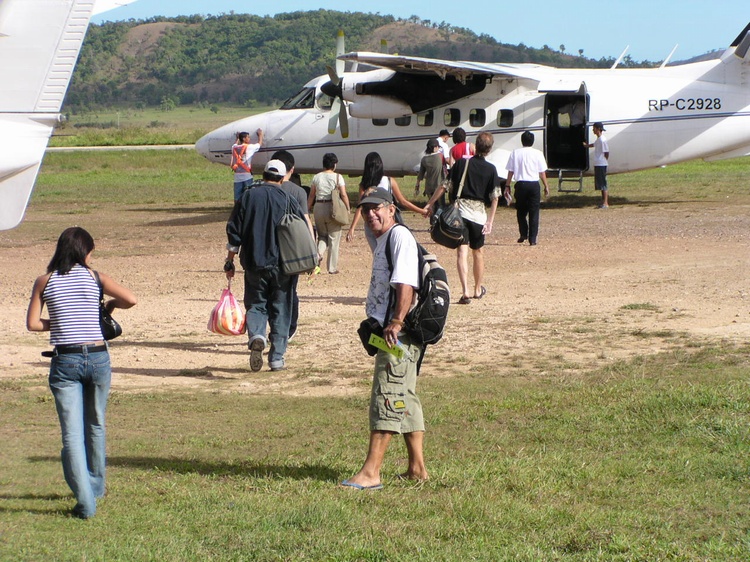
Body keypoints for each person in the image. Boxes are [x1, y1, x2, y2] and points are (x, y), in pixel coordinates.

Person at [26, 227, 137, 519]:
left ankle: (85, 501)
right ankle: (96, 487)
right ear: (83, 252)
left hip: (66, 360)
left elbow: (33, 325)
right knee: (96, 424)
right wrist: (110, 304)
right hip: (98, 358)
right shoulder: (95, 277)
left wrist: (57, 323)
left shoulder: (44, 281)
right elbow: (131, 299)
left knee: (71, 435)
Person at [341, 188, 428, 490]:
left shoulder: (399, 237)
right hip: (393, 334)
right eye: (365, 210)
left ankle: (371, 473)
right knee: (405, 397)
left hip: (397, 336)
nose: (369, 214)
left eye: (376, 208)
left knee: (387, 396)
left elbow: (407, 282)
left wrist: (395, 321)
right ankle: (417, 468)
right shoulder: (383, 240)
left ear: (392, 209)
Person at [225, 159, 305, 372]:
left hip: (254, 262)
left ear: (264, 175)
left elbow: (234, 231)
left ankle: (257, 335)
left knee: (256, 304)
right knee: (281, 308)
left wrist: (229, 260)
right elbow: (300, 232)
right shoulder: (288, 199)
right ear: (282, 177)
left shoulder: (248, 196)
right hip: (283, 265)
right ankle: (277, 358)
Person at [425, 132, 501, 304]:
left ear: (475, 145)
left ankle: (465, 290)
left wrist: (430, 203)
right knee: (478, 252)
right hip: (478, 215)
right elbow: (495, 197)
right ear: (489, 149)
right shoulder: (491, 169)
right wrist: (490, 221)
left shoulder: (461, 164)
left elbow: (444, 186)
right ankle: (477, 288)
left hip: (460, 214)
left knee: (462, 251)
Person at [272, 150, 317, 340]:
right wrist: (313, 250)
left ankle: (273, 328)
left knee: (271, 291)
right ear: (292, 169)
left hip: (271, 247)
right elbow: (306, 221)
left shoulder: (264, 188)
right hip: (292, 249)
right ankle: (290, 327)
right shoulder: (298, 192)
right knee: (290, 289)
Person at [346, 152, 428, 251]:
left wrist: (352, 228)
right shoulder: (389, 181)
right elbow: (403, 201)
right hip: (387, 222)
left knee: (378, 254)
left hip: (370, 223)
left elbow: (360, 207)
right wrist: (421, 211)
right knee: (391, 252)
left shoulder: (364, 185)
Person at [504, 131, 550, 246]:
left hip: (521, 184)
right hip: (534, 184)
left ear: (522, 140)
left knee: (521, 211)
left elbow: (511, 171)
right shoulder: (538, 153)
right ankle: (533, 238)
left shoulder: (515, 153)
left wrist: (507, 185)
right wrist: (546, 185)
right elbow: (542, 172)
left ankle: (523, 233)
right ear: (532, 141)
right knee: (534, 212)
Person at [307, 153, 350, 274]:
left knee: (322, 236)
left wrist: (306, 209)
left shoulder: (317, 177)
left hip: (319, 207)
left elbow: (311, 195)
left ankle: (318, 256)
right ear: (334, 164)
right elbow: (343, 194)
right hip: (333, 208)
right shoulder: (338, 177)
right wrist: (347, 207)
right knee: (334, 238)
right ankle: (331, 268)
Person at [230, 129, 264, 202]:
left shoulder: (234, 147)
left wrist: (237, 138)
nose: (249, 139)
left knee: (237, 196)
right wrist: (260, 135)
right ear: (244, 138)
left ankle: (237, 210)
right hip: (247, 175)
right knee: (249, 195)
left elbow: (235, 143)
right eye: (248, 137)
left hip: (237, 176)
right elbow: (259, 144)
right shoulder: (249, 147)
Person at [415, 139, 446, 212]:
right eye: (438, 147)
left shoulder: (424, 159)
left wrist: (417, 186)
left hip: (429, 187)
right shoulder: (440, 157)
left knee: (432, 206)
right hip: (439, 186)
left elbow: (420, 175)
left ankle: (433, 221)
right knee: (441, 206)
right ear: (435, 148)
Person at [584, 122, 610, 208]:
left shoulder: (603, 140)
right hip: (598, 163)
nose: (593, 130)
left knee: (603, 183)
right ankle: (603, 202)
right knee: (600, 184)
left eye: (594, 128)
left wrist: (603, 160)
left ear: (598, 129)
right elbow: (594, 144)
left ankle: (605, 203)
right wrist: (587, 146)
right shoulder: (598, 139)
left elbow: (606, 152)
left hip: (601, 164)